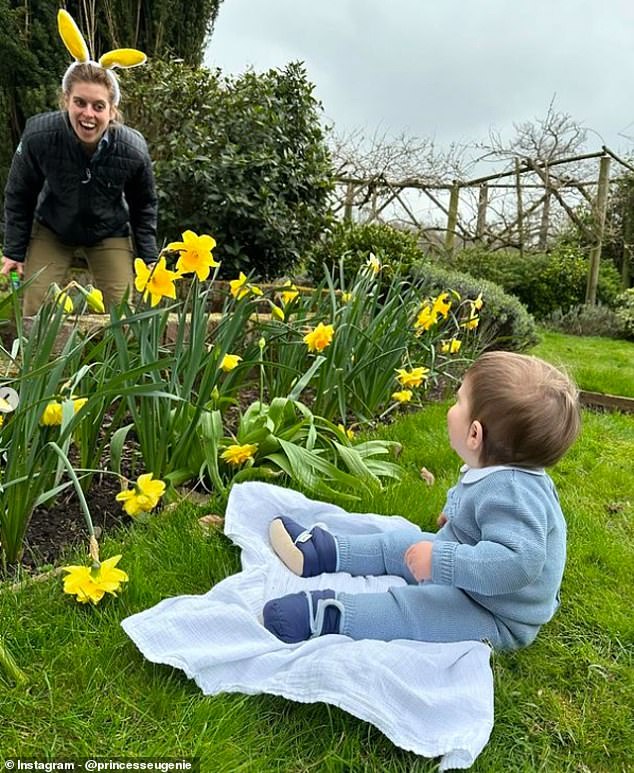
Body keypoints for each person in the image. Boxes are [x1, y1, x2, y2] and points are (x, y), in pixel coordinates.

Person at [263, 351, 581, 651]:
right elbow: (479, 503)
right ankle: (322, 552)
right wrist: (453, 518)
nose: (450, 408)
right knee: (402, 544)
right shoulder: (497, 467)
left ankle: (330, 615)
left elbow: (516, 564)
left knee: (416, 610)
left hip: (496, 613)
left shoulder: (513, 490)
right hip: (474, 578)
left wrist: (441, 561)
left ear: (475, 434)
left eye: (459, 400)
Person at [1, 9, 157, 315]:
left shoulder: (133, 148)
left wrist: (149, 257)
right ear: (66, 101)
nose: (88, 114)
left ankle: (122, 363)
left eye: (99, 106)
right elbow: (19, 194)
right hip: (53, 228)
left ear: (112, 111)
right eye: (80, 103)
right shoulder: (39, 135)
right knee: (34, 308)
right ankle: (37, 363)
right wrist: (14, 251)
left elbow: (144, 204)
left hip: (108, 230)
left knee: (124, 313)